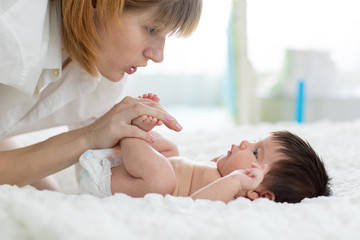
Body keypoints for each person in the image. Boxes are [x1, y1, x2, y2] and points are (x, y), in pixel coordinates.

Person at [0, 0, 202, 190]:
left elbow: (98, 178)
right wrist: (89, 137)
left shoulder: (102, 77)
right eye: (152, 29)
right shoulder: (11, 32)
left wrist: (172, 167)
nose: (158, 56)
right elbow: (94, 138)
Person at [79, 95, 331, 203]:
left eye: (255, 153)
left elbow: (195, 204)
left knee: (162, 178)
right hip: (120, 166)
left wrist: (234, 180)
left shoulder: (234, 196)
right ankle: (138, 130)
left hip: (106, 184)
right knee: (171, 150)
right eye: (254, 142)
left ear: (261, 195)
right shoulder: (222, 173)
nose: (245, 143)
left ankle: (131, 132)